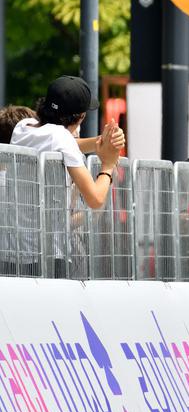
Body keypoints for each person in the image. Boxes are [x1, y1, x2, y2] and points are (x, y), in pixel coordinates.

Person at [7, 76, 124, 277]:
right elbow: (95, 199)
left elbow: (61, 143)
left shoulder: (23, 127)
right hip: (48, 253)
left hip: (12, 250)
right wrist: (108, 164)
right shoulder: (61, 139)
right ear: (80, 117)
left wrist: (100, 142)